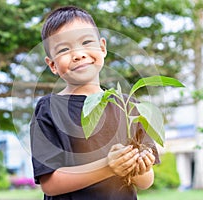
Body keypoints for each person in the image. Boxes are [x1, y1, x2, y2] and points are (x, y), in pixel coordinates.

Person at [30, 6, 160, 200]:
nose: (78, 54)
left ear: (102, 48)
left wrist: (139, 165)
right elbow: (50, 185)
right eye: (64, 49)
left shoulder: (130, 107)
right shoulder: (49, 109)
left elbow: (146, 181)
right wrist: (108, 167)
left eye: (86, 42)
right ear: (52, 65)